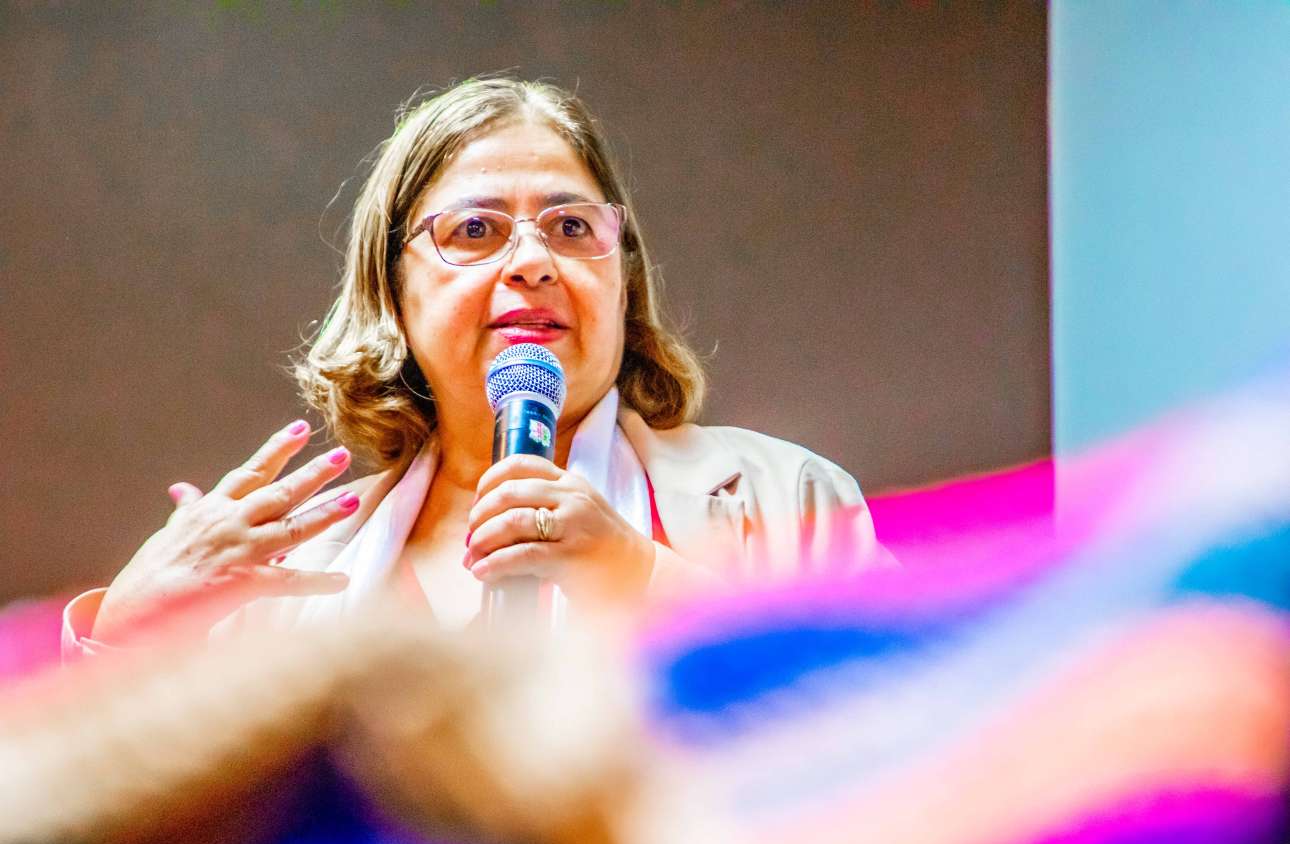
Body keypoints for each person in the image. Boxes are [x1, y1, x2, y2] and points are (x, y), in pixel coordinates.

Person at [63, 77, 886, 655]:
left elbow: (911, 748)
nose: (532, 262)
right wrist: (123, 634)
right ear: (393, 289)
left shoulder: (789, 498)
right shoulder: (294, 576)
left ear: (623, 280)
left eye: (571, 229)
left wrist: (635, 574)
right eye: (475, 231)